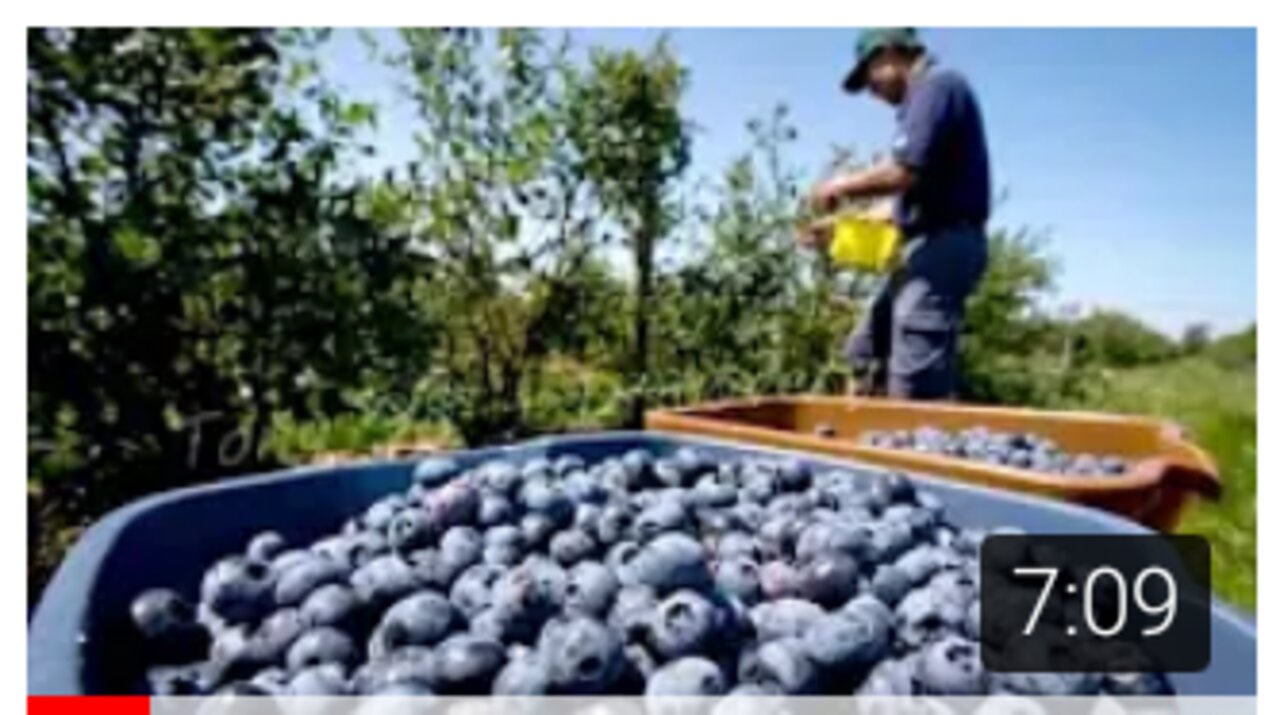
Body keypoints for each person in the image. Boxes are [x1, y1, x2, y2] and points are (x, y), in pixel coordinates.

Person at [803, 28, 991, 400]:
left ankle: (915, 444)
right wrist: (840, 229)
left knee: (915, 378)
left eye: (869, 76)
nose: (871, 90)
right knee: (863, 352)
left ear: (889, 55)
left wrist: (837, 187)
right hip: (925, 245)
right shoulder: (921, 103)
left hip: (944, 246)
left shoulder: (938, 87)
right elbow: (902, 204)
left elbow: (901, 172)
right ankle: (870, 442)